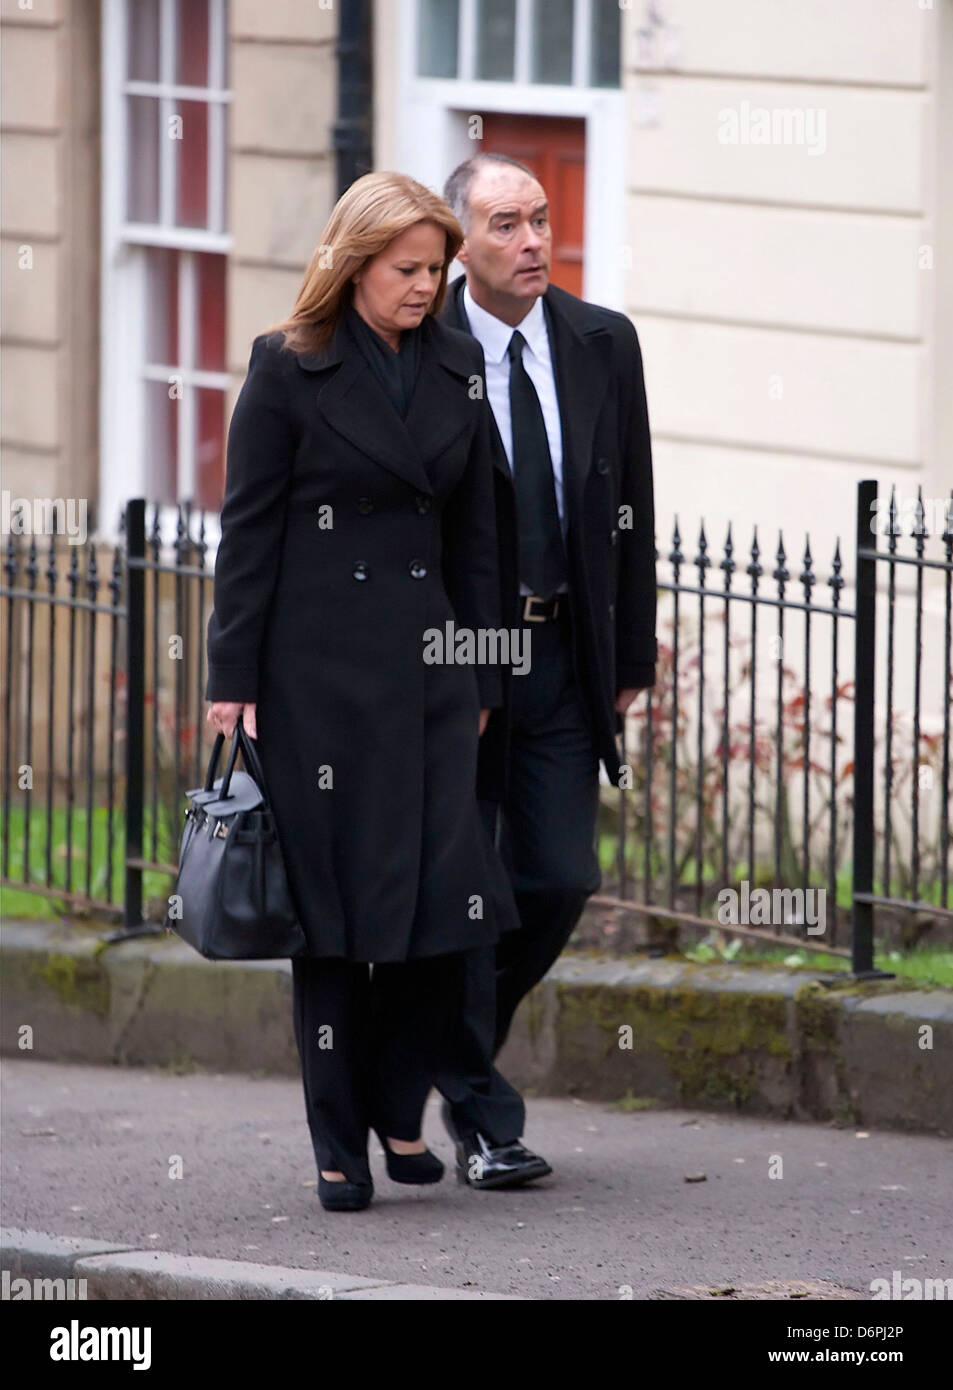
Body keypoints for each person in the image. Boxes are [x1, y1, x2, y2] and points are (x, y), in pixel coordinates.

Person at [204, 171, 515, 1212]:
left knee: (447, 911)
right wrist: (230, 679)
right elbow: (247, 531)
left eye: (436, 268)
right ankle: (338, 1144)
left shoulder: (460, 365)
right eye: (407, 269)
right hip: (315, 685)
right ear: (354, 264)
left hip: (428, 678)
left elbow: (477, 534)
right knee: (332, 924)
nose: (426, 286)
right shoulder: (287, 368)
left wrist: (477, 663)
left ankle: (396, 1108)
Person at [435, 152, 658, 1188]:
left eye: (540, 219)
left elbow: (632, 506)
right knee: (462, 890)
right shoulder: (412, 341)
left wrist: (629, 651)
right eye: (505, 224)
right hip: (455, 662)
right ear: (458, 243)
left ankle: (445, 1049)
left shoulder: (602, 342)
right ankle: (483, 1114)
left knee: (558, 876)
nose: (532, 241)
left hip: (564, 649)